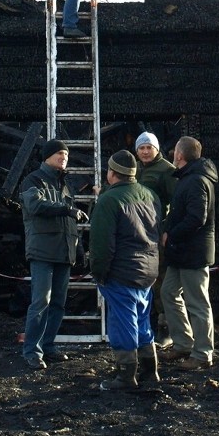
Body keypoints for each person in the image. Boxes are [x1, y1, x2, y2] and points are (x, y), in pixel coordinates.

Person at [89, 150, 161, 390]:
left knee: (123, 322)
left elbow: (102, 244)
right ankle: (150, 371)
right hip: (148, 270)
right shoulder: (150, 195)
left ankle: (125, 375)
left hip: (122, 271)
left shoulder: (108, 200)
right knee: (142, 320)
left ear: (111, 173)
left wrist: (98, 272)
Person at [19, 138, 88, 370]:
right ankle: (32, 350)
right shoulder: (33, 180)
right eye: (59, 154)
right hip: (42, 251)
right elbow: (35, 206)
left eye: (66, 155)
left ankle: (47, 346)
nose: (64, 158)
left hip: (63, 253)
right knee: (41, 302)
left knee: (58, 303)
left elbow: (70, 224)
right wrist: (67, 210)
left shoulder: (65, 186)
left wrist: (77, 250)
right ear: (47, 157)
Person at [161, 136, 218, 371]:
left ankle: (203, 353)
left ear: (179, 155)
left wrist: (171, 234)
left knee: (197, 302)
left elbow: (196, 218)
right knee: (168, 292)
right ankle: (183, 343)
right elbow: (179, 213)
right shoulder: (189, 178)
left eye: (174, 150)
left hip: (192, 252)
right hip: (182, 251)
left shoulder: (195, 180)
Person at [134, 130, 177, 346]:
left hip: (156, 232)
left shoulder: (167, 171)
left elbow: (177, 204)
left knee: (160, 279)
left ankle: (165, 328)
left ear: (156, 148)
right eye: (141, 148)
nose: (145, 151)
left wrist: (167, 229)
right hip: (137, 233)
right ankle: (143, 327)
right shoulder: (136, 170)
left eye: (148, 147)